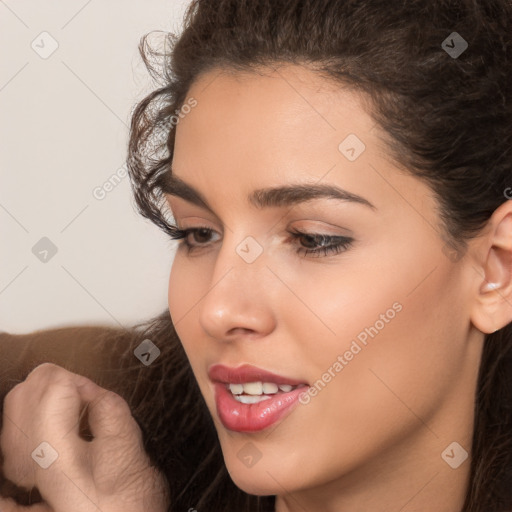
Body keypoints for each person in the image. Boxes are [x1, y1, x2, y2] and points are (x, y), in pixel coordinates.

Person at [1, 0, 512, 510]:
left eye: (313, 239)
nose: (217, 310)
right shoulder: (66, 419)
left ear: (496, 269)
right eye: (198, 234)